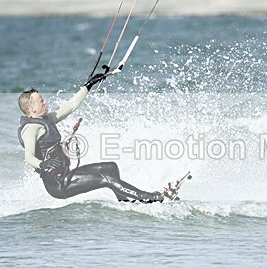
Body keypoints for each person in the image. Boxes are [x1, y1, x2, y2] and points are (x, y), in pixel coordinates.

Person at [18, 74, 165, 202]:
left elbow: (71, 105)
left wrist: (88, 86)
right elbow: (29, 157)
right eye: (41, 101)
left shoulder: (47, 118)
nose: (45, 102)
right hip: (58, 184)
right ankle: (149, 197)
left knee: (111, 168)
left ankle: (124, 202)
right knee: (106, 179)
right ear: (32, 109)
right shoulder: (31, 128)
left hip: (66, 174)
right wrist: (43, 165)